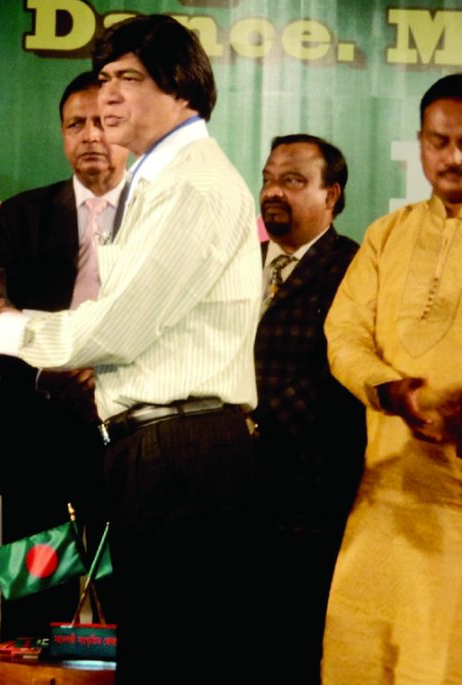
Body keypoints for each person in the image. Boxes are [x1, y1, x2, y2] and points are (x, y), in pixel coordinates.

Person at [0, 14, 261, 682]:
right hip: (55, 445)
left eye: (127, 80)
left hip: (172, 446)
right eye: (100, 85)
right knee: (43, 613)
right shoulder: (35, 212)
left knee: (152, 639)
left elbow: (114, 330)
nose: (106, 103)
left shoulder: (189, 186)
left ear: (182, 90)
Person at [322, 73, 462, 684]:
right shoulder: (388, 234)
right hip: (387, 492)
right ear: (421, 144)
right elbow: (343, 334)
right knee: (364, 655)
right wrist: (388, 389)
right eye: (440, 141)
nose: (454, 156)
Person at [0, 70, 127, 639]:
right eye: (77, 124)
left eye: (105, 122)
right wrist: (52, 366)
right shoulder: (22, 215)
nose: (91, 135)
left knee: (125, 601)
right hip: (38, 435)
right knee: (32, 606)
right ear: (62, 134)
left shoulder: (161, 212)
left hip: (127, 434)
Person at [254, 134, 365, 683]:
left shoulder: (357, 268)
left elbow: (341, 375)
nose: (273, 191)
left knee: (292, 655)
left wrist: (252, 423)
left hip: (306, 502)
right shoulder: (236, 264)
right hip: (223, 497)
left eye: (293, 181)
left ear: (332, 195)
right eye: (270, 178)